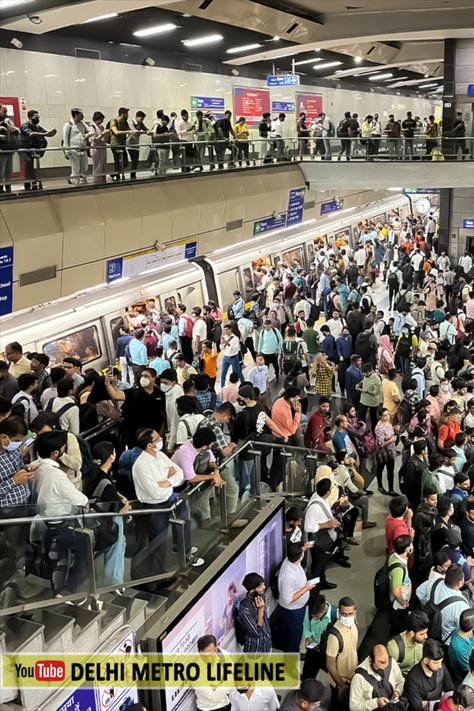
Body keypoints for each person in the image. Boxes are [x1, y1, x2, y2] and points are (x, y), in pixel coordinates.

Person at [33, 430, 89, 595]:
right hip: (60, 523)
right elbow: (79, 499)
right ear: (56, 452)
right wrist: (86, 504)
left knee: (55, 555)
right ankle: (69, 589)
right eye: (63, 448)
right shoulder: (56, 475)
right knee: (84, 547)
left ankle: (50, 588)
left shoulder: (37, 467)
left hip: (43, 522)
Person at [416, 563, 469, 645]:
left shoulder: (435, 581)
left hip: (427, 627)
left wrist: (428, 607)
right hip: (445, 642)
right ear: (461, 583)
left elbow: (419, 592)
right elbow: (464, 629)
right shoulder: (461, 606)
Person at [277, 542, 315, 653]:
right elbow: (287, 599)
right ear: (300, 556)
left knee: (291, 637)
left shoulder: (289, 559)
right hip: (292, 612)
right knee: (293, 639)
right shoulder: (288, 576)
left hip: (298, 608)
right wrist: (305, 589)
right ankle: (291, 666)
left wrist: (304, 548)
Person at [326, 597, 359, 710]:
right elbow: (330, 665)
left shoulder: (354, 625)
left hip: (351, 678)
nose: (347, 617)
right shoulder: (334, 636)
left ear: (355, 611)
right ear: (340, 612)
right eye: (344, 614)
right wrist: (341, 685)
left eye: (350, 613)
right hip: (339, 682)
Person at [349, 644, 404, 711]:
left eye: (387, 662)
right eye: (381, 662)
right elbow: (354, 706)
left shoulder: (391, 662)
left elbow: (400, 682)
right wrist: (376, 703)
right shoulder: (359, 677)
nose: (385, 667)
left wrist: (397, 692)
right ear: (371, 661)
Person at [404, 638, 454, 711]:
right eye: (436, 663)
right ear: (425, 660)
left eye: (441, 661)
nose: (440, 666)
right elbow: (417, 707)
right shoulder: (413, 679)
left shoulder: (441, 667)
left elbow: (450, 690)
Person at [19, 109, 56, 190]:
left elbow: (46, 133)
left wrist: (51, 133)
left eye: (38, 117)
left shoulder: (37, 127)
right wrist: (45, 134)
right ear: (29, 117)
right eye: (36, 117)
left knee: (30, 165)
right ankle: (29, 183)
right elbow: (31, 134)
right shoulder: (25, 125)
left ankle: (33, 182)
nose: (38, 119)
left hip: (33, 149)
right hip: (24, 149)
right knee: (28, 163)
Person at [235, 572, 272, 653]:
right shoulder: (244, 609)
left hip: (266, 644)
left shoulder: (261, 596)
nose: (264, 587)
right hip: (254, 649)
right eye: (260, 586)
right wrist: (261, 609)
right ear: (252, 591)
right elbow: (257, 632)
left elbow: (265, 620)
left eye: (263, 585)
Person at [387, 610, 429, 677]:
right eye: (422, 634)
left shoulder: (421, 642)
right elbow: (390, 674)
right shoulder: (395, 648)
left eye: (426, 632)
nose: (426, 636)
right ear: (412, 633)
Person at [194, 635, 230, 711]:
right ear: (200, 652)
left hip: (227, 703)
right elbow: (213, 697)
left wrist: (218, 687)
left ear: (216, 648)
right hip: (209, 709)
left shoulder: (223, 654)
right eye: (205, 656)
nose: (209, 658)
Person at [388, 534, 413, 634]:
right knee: (399, 626)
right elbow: (396, 591)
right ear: (407, 549)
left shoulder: (394, 555)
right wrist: (404, 603)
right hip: (398, 605)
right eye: (411, 545)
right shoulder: (398, 569)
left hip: (401, 599)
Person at [62, 108, 93, 185]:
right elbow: (65, 138)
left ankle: (80, 179)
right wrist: (66, 151)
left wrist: (87, 134)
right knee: (76, 168)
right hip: (73, 150)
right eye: (81, 115)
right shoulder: (68, 125)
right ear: (76, 115)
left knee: (84, 167)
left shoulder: (83, 124)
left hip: (83, 149)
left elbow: (92, 131)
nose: (83, 116)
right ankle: (75, 183)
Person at [374, 408, 398, 496]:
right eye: (384, 415)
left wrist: (394, 428)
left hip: (391, 451)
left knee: (390, 470)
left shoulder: (388, 422)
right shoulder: (378, 428)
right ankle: (380, 486)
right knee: (380, 469)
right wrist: (392, 440)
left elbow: (389, 431)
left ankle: (391, 489)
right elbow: (381, 444)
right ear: (380, 416)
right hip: (383, 452)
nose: (387, 417)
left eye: (387, 415)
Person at [448, 609, 474, 685]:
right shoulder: (458, 648)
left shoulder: (459, 630)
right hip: (462, 679)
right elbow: (468, 669)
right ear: (472, 628)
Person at [109, 107, 134, 180]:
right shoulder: (113, 121)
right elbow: (116, 132)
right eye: (127, 114)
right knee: (117, 160)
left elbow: (130, 130)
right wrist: (127, 132)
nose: (128, 116)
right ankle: (117, 176)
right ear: (123, 114)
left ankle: (114, 174)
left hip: (122, 144)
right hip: (115, 144)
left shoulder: (124, 122)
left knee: (125, 162)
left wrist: (132, 132)